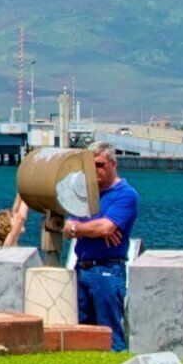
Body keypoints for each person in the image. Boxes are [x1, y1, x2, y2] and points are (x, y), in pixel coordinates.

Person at [60, 143, 137, 352]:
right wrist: (84, 229)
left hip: (107, 269)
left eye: (100, 165)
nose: (95, 171)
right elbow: (65, 228)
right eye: (90, 166)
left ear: (113, 164)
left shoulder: (126, 194)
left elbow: (105, 228)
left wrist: (80, 228)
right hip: (81, 268)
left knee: (109, 333)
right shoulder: (84, 193)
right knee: (82, 333)